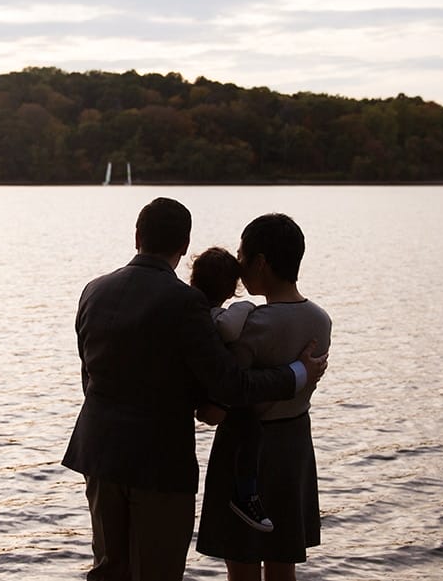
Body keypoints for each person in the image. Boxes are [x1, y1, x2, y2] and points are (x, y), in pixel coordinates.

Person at [62, 198, 328, 581]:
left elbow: (89, 375)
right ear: (184, 245)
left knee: (109, 570)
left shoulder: (94, 290)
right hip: (158, 462)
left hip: (97, 452)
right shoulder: (186, 303)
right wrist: (297, 372)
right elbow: (230, 385)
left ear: (137, 237)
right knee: (158, 572)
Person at [196, 213, 332, 581]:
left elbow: (218, 403)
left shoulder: (254, 325)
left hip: (246, 450)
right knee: (282, 561)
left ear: (260, 262)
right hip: (294, 445)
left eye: (242, 257)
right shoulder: (321, 320)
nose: (238, 268)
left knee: (241, 564)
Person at [190, 247, 274, 534]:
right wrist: (247, 306)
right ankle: (246, 494)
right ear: (230, 290)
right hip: (216, 391)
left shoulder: (191, 308)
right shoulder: (214, 315)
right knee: (252, 432)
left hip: (204, 390)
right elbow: (229, 330)